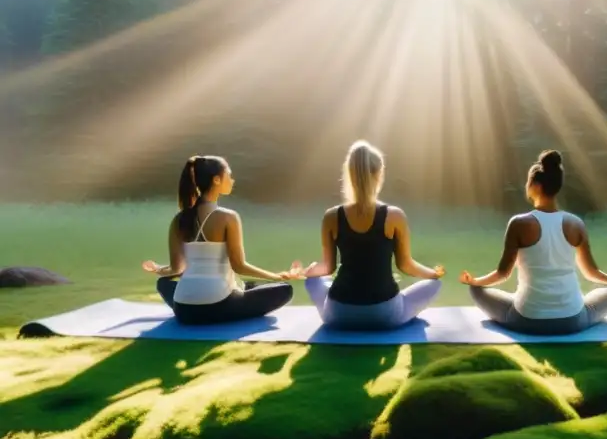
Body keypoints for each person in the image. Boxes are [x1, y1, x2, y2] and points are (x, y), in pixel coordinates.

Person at [460, 150, 607, 335]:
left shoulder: (519, 223)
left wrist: (475, 281)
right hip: (573, 320)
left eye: (528, 182)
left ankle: (516, 302)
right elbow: (591, 273)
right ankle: (582, 305)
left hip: (526, 320)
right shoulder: (575, 223)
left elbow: (503, 274)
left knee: (476, 290)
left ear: (535, 185)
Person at [300, 140, 444, 330]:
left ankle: (334, 310)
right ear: (379, 175)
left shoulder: (331, 216)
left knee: (313, 280)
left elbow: (327, 267)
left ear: (350, 175)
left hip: (339, 313)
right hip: (384, 313)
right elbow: (406, 265)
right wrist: (433, 274)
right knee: (435, 285)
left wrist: (308, 270)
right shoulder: (394, 216)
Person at [142, 155, 298, 325]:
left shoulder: (179, 219)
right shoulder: (227, 217)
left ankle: (215, 295)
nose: (232, 180)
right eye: (228, 175)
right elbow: (239, 266)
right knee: (285, 290)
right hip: (218, 306)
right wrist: (276, 276)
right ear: (216, 180)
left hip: (184, 309)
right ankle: (229, 300)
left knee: (163, 283)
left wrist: (158, 269)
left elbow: (176, 268)